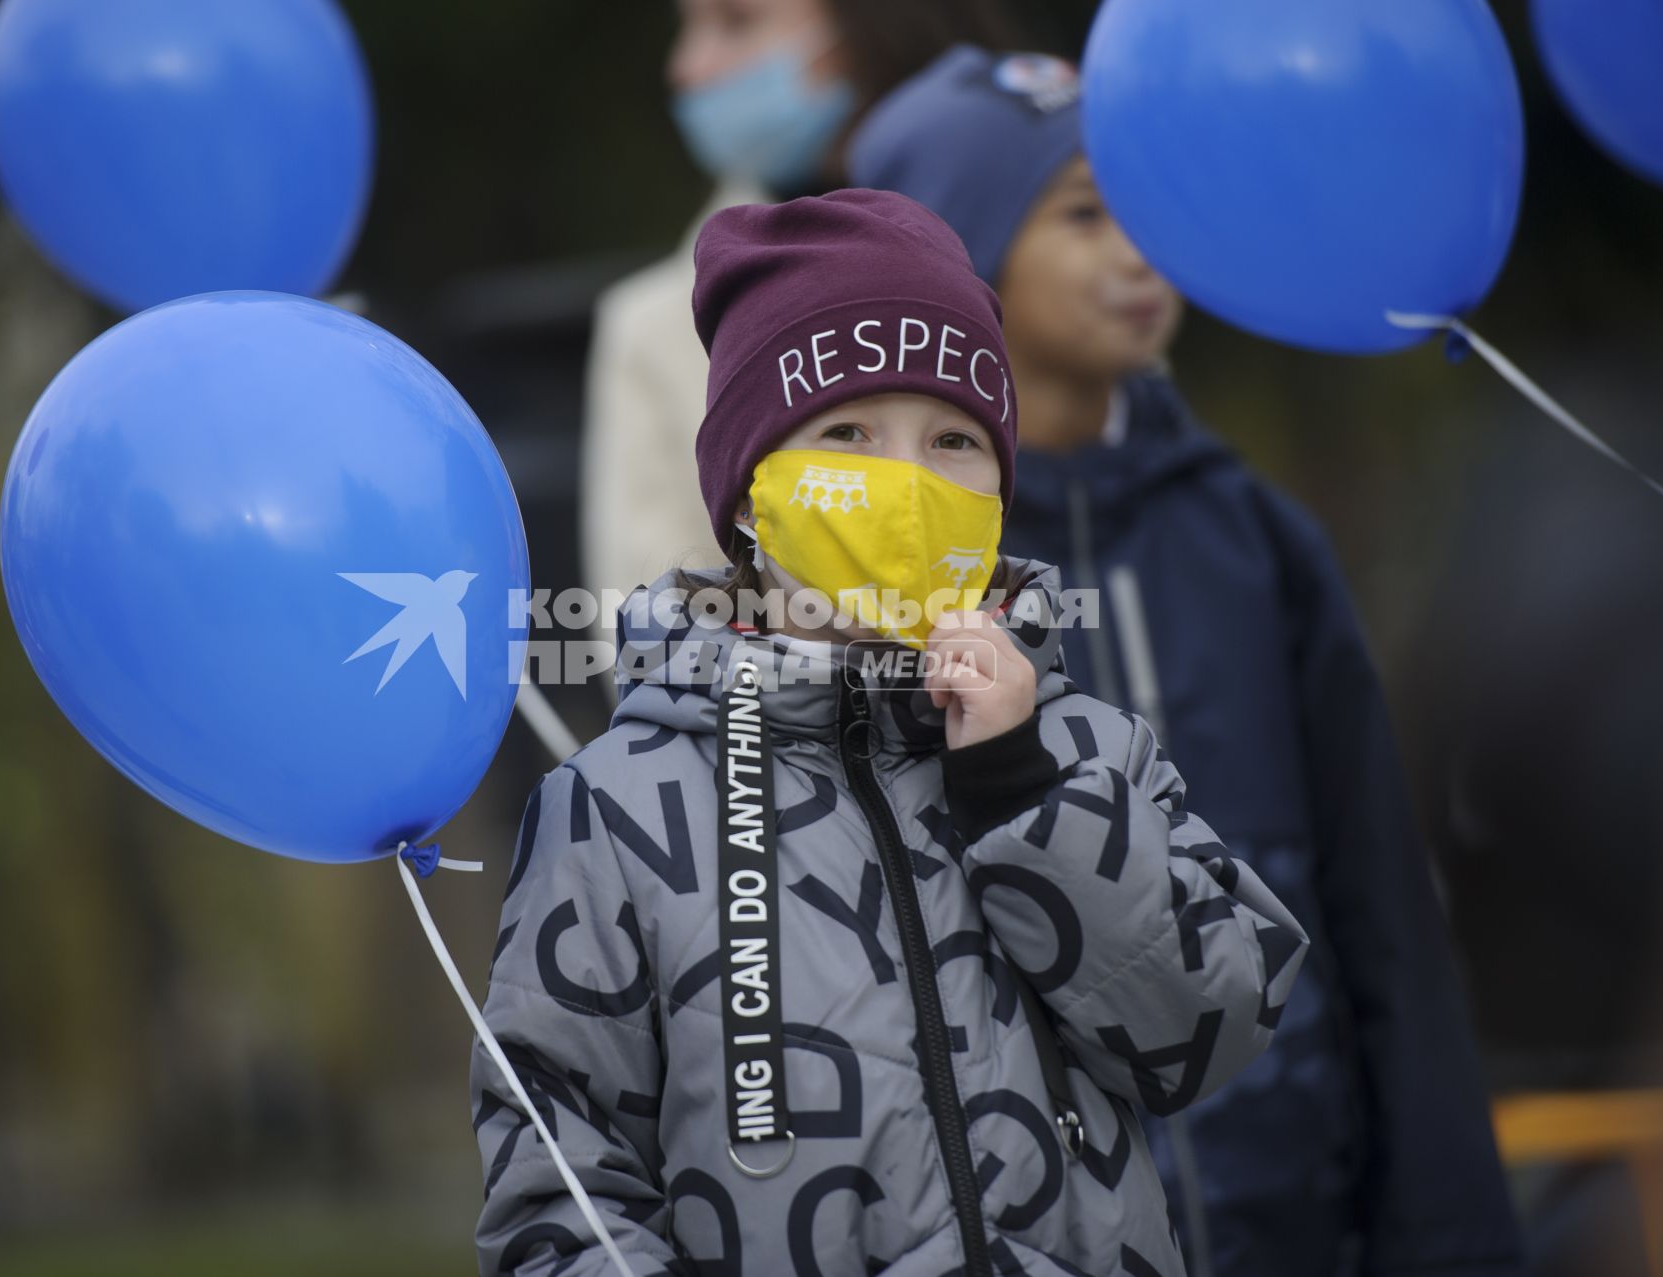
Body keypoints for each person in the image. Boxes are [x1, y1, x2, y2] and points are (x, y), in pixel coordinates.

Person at [470, 188, 1308, 1275]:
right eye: (848, 433)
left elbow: (1210, 1026)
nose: (908, 481)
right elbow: (557, 1177)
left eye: (955, 438)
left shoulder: (1090, 749)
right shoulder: (613, 806)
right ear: (747, 495)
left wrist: (1026, 791)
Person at [850, 47, 1523, 1277]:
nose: (1142, 250)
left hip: (1293, 1216)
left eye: (1153, 204)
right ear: (961, 258)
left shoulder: (1256, 539)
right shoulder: (882, 584)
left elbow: (1378, 905)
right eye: (1085, 213)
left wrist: (1448, 1230)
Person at [581, 0, 1016, 629]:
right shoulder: (649, 325)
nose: (688, 67)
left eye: (737, 22)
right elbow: (637, 630)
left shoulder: (1038, 263)